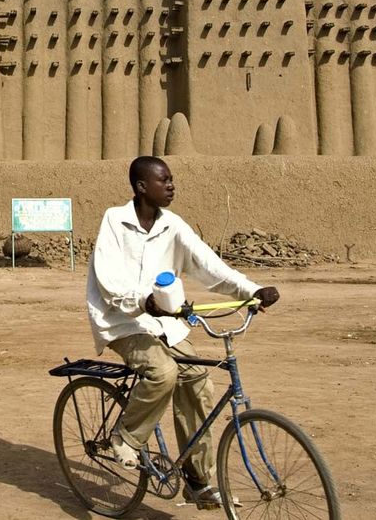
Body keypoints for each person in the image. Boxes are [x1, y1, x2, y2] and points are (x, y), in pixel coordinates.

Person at [86, 156, 280, 510]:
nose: (172, 185)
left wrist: (251, 290)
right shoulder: (115, 220)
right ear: (142, 187)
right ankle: (126, 437)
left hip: (166, 325)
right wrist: (143, 302)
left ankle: (197, 480)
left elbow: (210, 267)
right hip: (123, 322)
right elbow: (108, 280)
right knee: (163, 372)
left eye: (172, 179)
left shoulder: (173, 226)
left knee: (197, 381)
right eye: (165, 180)